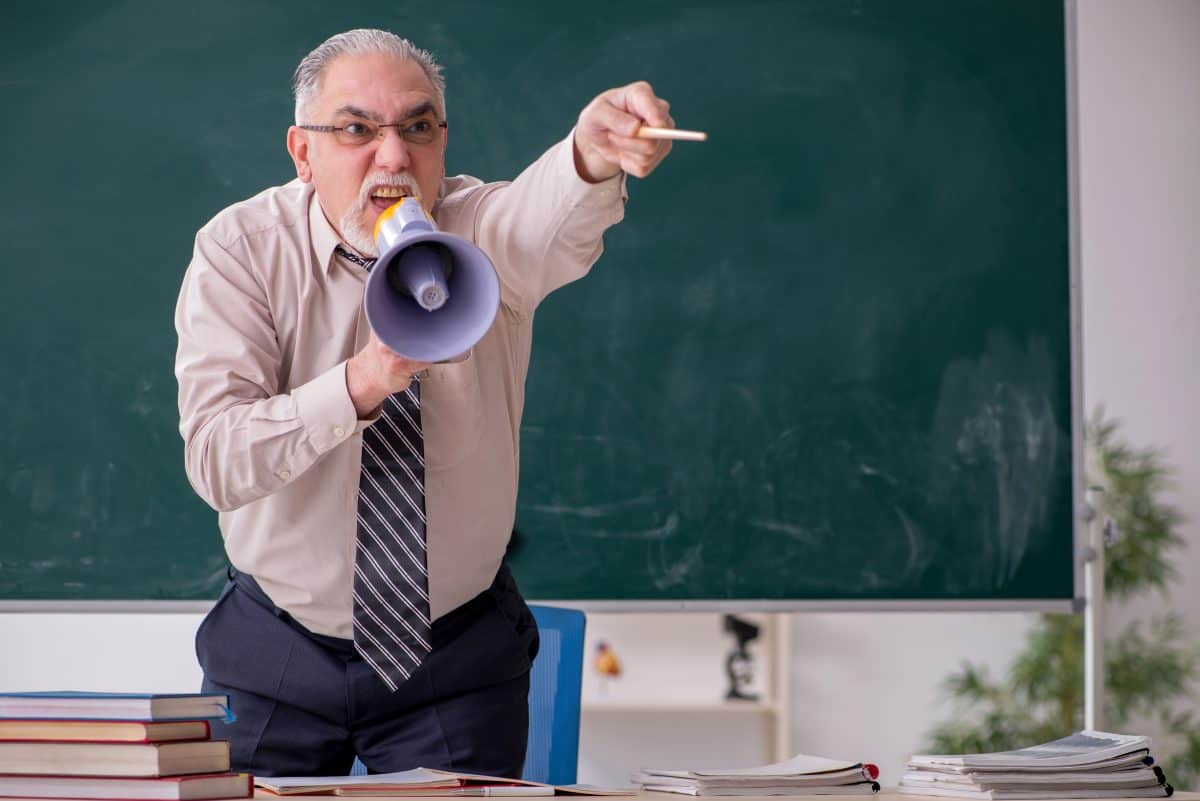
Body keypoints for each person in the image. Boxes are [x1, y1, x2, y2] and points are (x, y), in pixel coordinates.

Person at [174, 28, 675, 777]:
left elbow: (547, 213)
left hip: (453, 660)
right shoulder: (240, 250)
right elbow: (217, 459)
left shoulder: (481, 231)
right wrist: (361, 383)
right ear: (302, 153)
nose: (394, 156)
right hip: (275, 649)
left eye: (418, 127)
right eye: (355, 129)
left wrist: (591, 152)